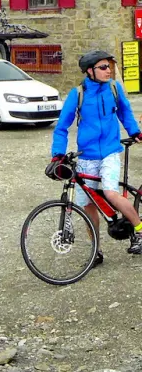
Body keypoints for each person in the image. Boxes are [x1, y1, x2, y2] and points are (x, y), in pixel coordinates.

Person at [51, 49, 142, 264]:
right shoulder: (78, 94)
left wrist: (134, 131)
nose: (108, 70)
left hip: (110, 151)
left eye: (109, 66)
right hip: (87, 156)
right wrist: (58, 155)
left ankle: (139, 230)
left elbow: (125, 112)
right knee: (89, 205)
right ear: (90, 71)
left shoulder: (114, 88)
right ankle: (96, 252)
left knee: (110, 193)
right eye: (103, 67)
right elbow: (61, 127)